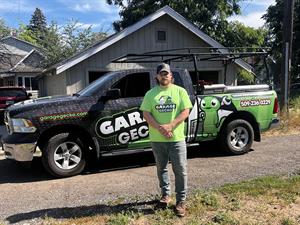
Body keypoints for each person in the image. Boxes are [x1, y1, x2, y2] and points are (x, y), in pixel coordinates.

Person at [140, 63, 192, 217]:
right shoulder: (150, 94)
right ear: (157, 76)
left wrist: (171, 125)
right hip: (157, 139)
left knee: (180, 170)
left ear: (171, 76)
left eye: (167, 73)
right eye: (161, 74)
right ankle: (165, 196)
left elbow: (186, 111)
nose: (164, 76)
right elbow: (146, 114)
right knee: (161, 168)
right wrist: (160, 128)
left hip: (176, 139)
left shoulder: (180, 91)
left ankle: (181, 201)